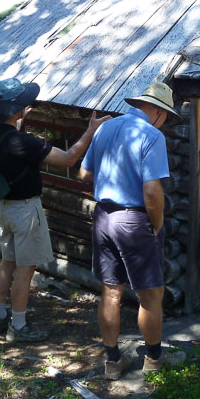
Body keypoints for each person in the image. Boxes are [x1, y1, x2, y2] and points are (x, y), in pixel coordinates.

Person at [0, 77, 109, 342]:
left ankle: (0, 316)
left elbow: (10, 134)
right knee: (26, 269)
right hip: (25, 211)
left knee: (8, 262)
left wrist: (19, 117)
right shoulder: (23, 142)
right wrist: (91, 130)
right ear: (14, 111)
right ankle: (18, 328)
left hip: (4, 208)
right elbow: (68, 158)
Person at [78, 81, 183, 379]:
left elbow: (85, 173)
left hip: (104, 217)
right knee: (150, 294)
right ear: (159, 113)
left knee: (111, 291)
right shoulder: (151, 135)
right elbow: (152, 191)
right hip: (135, 220)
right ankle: (154, 359)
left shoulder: (106, 129)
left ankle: (112, 362)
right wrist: (157, 223)